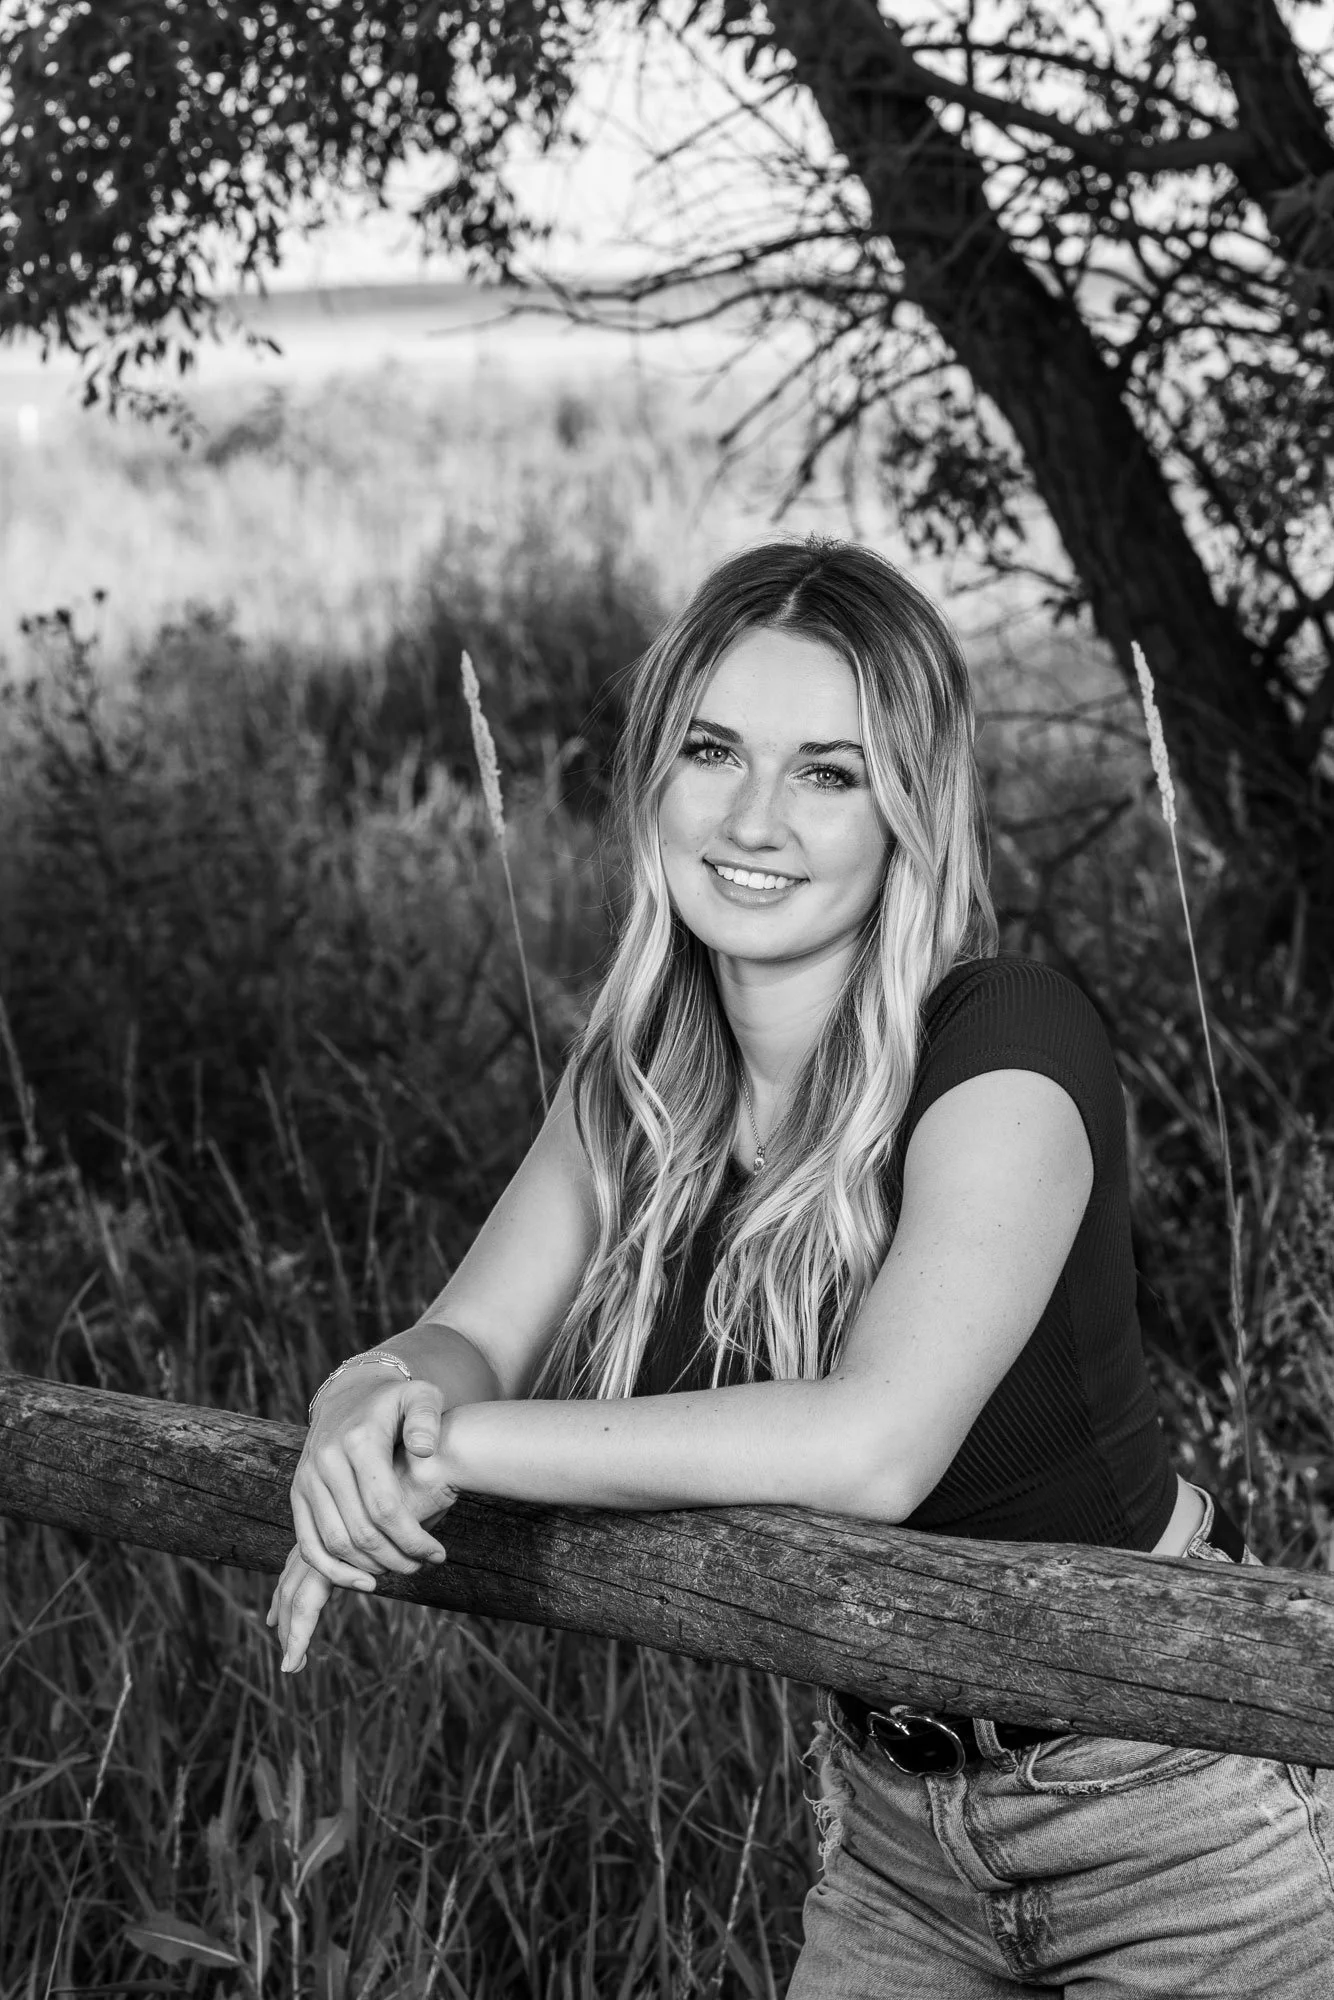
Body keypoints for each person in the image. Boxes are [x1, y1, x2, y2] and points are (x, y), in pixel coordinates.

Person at [268, 538, 1334, 1993]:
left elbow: (872, 1448)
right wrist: (370, 1398)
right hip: (895, 1830)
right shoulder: (636, 1087)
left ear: (905, 810)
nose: (755, 817)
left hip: (1168, 1810)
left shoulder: (1006, 1042)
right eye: (714, 750)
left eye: (827, 771)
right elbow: (465, 1335)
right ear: (653, 774)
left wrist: (445, 1449)